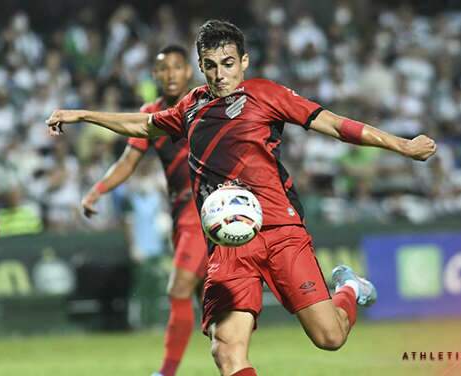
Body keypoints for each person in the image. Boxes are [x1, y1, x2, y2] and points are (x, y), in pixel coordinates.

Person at [46, 20, 436, 376]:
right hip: (226, 244)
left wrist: (401, 145)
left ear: (244, 61)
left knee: (329, 338)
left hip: (280, 231)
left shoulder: (266, 94)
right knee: (227, 351)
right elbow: (143, 125)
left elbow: (335, 124)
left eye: (228, 63)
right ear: (201, 67)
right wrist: (83, 115)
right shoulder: (191, 107)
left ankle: (349, 288)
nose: (220, 74)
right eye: (211, 65)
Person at [80, 45, 206, 376]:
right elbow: (127, 161)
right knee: (211, 306)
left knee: (178, 290)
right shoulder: (151, 114)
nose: (170, 74)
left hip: (206, 212)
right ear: (155, 75)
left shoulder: (205, 105)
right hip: (181, 214)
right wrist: (98, 190)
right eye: (163, 68)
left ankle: (165, 372)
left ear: (188, 72)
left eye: (177, 67)